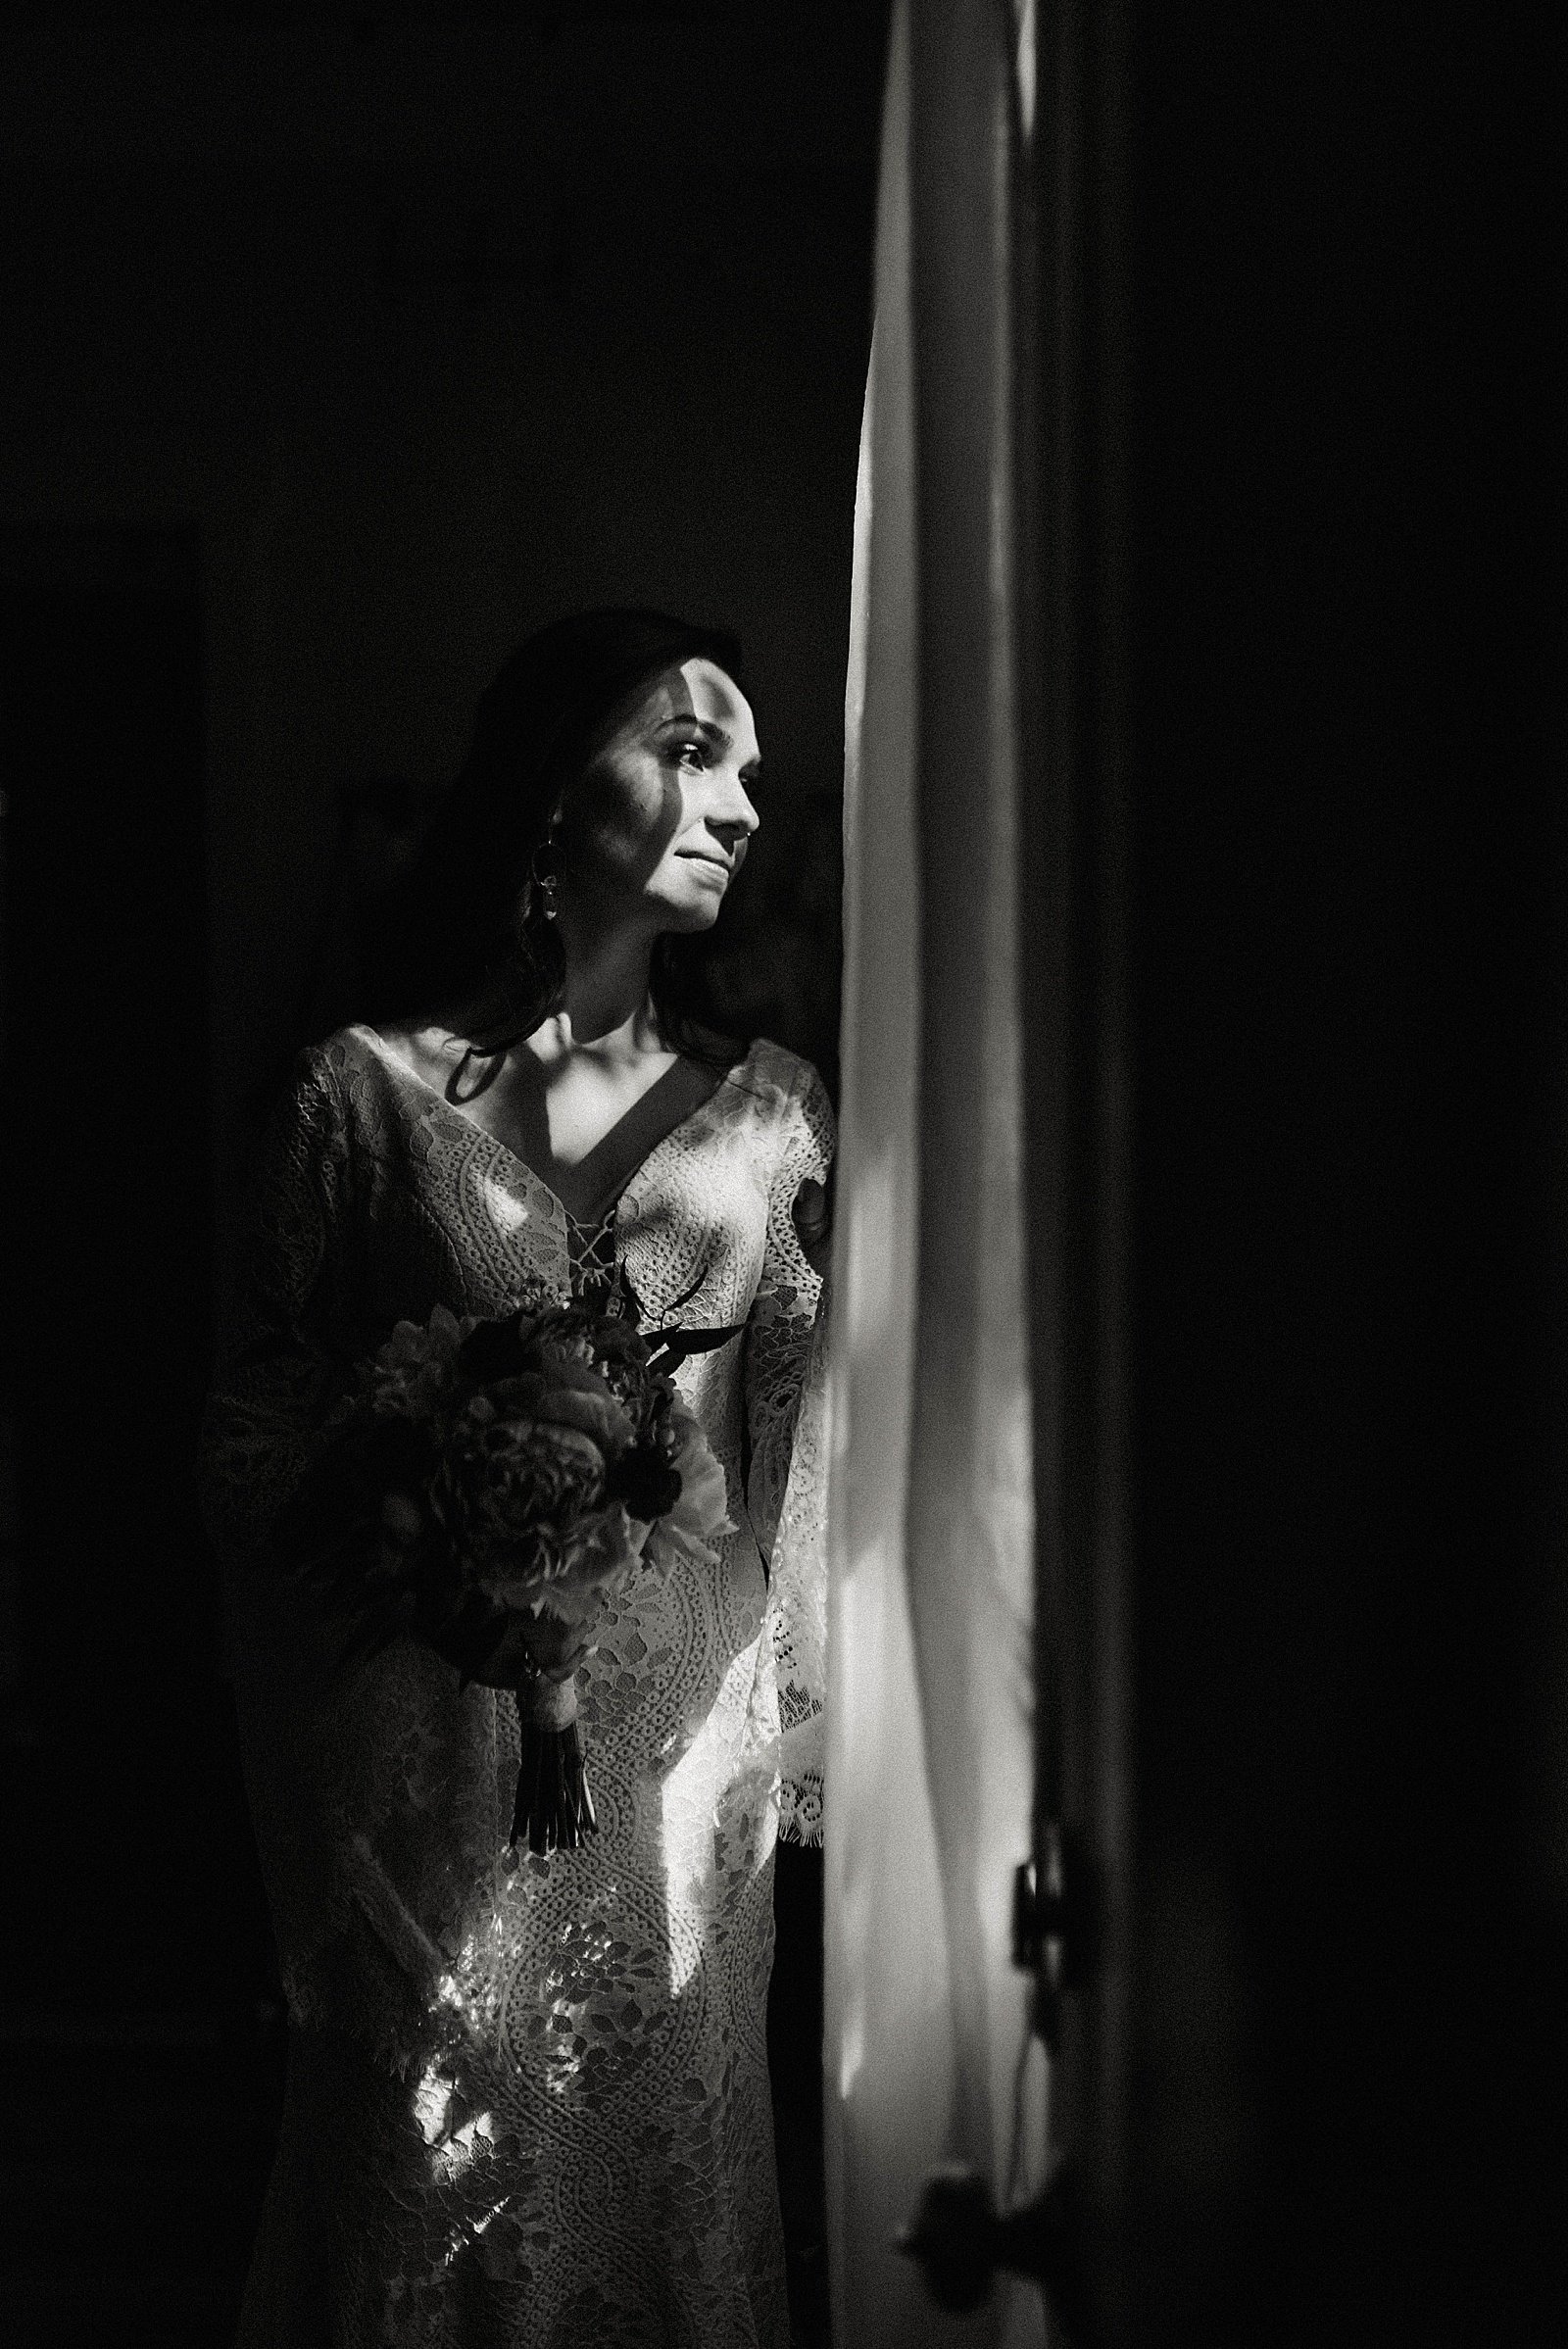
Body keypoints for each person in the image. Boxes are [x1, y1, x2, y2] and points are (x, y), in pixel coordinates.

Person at [201, 609, 834, 2348]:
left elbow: (810, 1460)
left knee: (660, 2206)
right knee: (414, 2194)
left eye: (753, 775)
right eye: (693, 755)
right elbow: (245, 1445)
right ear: (559, 792)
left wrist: (792, 1736)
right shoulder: (360, 1100)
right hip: (431, 1769)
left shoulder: (776, 1122)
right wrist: (422, 1534)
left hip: (673, 1785)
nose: (742, 806)